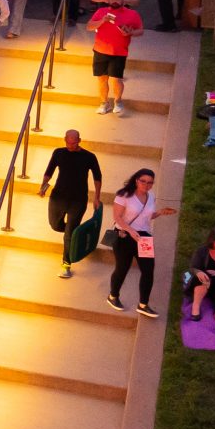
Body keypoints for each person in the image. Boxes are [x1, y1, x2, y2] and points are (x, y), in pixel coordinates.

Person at [107, 167, 171, 316]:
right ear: (136, 180)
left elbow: (147, 217)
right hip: (124, 235)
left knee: (148, 270)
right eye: (143, 181)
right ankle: (113, 296)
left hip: (144, 238)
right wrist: (131, 231)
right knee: (122, 268)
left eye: (150, 182)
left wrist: (160, 213)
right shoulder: (124, 195)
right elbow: (117, 217)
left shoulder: (151, 195)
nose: (146, 185)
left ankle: (143, 304)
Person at [42, 128, 104, 276]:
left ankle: (66, 264)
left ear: (79, 141)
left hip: (78, 200)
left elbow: (97, 177)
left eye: (74, 143)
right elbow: (49, 171)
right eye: (69, 143)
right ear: (65, 140)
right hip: (58, 197)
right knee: (55, 225)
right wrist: (43, 185)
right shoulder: (58, 153)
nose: (71, 146)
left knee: (68, 234)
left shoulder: (89, 157)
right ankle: (76, 234)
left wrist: (97, 197)